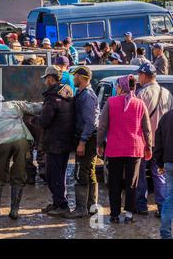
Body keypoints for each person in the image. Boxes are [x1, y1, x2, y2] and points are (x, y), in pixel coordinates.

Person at [97, 75, 153, 224]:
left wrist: (99, 144)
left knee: (114, 182)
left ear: (121, 87)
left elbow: (102, 126)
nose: (116, 88)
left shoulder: (111, 102)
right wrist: (149, 146)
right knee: (132, 182)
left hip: (114, 149)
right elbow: (147, 129)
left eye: (117, 86)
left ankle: (114, 215)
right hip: (134, 149)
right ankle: (129, 215)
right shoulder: (140, 104)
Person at [0, 94, 42, 220]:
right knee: (19, 175)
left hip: (0, 143)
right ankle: (14, 211)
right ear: (3, 100)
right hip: (20, 140)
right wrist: (49, 102)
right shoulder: (14, 104)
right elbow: (35, 108)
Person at [37, 66, 75, 216]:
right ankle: (57, 202)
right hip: (65, 140)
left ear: (50, 79)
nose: (45, 81)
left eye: (46, 78)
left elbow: (44, 121)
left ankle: (62, 204)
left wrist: (33, 119)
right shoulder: (67, 93)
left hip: (55, 142)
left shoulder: (52, 97)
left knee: (53, 175)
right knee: (60, 173)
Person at [135, 63, 173, 217]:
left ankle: (142, 206)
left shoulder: (140, 95)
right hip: (162, 143)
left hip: (143, 142)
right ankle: (162, 207)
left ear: (145, 76)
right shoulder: (167, 93)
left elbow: (136, 120)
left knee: (141, 175)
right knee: (159, 175)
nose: (139, 78)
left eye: (140, 75)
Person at [63, 67, 100, 218]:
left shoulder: (87, 96)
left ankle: (81, 209)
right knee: (89, 172)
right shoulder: (81, 94)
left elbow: (90, 122)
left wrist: (82, 142)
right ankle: (91, 207)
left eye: (76, 76)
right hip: (87, 138)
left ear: (83, 77)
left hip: (87, 139)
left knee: (80, 173)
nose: (74, 79)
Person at [153, 110, 173, 239]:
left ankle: (165, 234)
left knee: (169, 200)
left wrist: (159, 164)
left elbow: (158, 143)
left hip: (169, 163)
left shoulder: (166, 117)